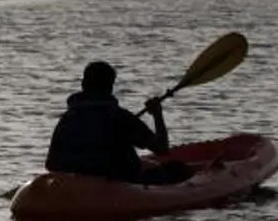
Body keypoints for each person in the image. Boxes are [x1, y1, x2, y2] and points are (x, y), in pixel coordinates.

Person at [46, 60, 188, 184]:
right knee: (177, 169)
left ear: (83, 84)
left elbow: (51, 164)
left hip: (77, 184)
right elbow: (162, 148)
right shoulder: (121, 117)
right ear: (110, 88)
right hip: (119, 182)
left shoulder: (67, 118)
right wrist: (157, 114)